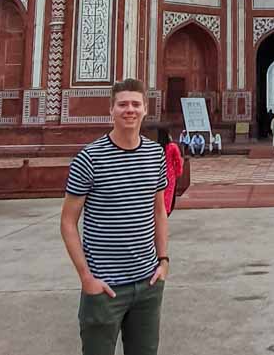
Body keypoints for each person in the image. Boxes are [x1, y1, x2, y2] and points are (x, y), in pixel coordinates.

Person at [60, 78, 169, 355]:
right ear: (111, 109)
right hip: (104, 288)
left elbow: (159, 211)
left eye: (135, 104)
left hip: (147, 283)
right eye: (122, 104)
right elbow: (68, 222)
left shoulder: (155, 154)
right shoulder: (89, 158)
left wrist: (163, 261)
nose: (129, 110)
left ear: (146, 108)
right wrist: (86, 277)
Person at [156, 127, 183, 216]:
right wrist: (178, 173)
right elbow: (178, 161)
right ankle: (166, 213)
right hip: (170, 175)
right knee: (168, 196)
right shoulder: (172, 147)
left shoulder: (156, 147)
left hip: (158, 174)